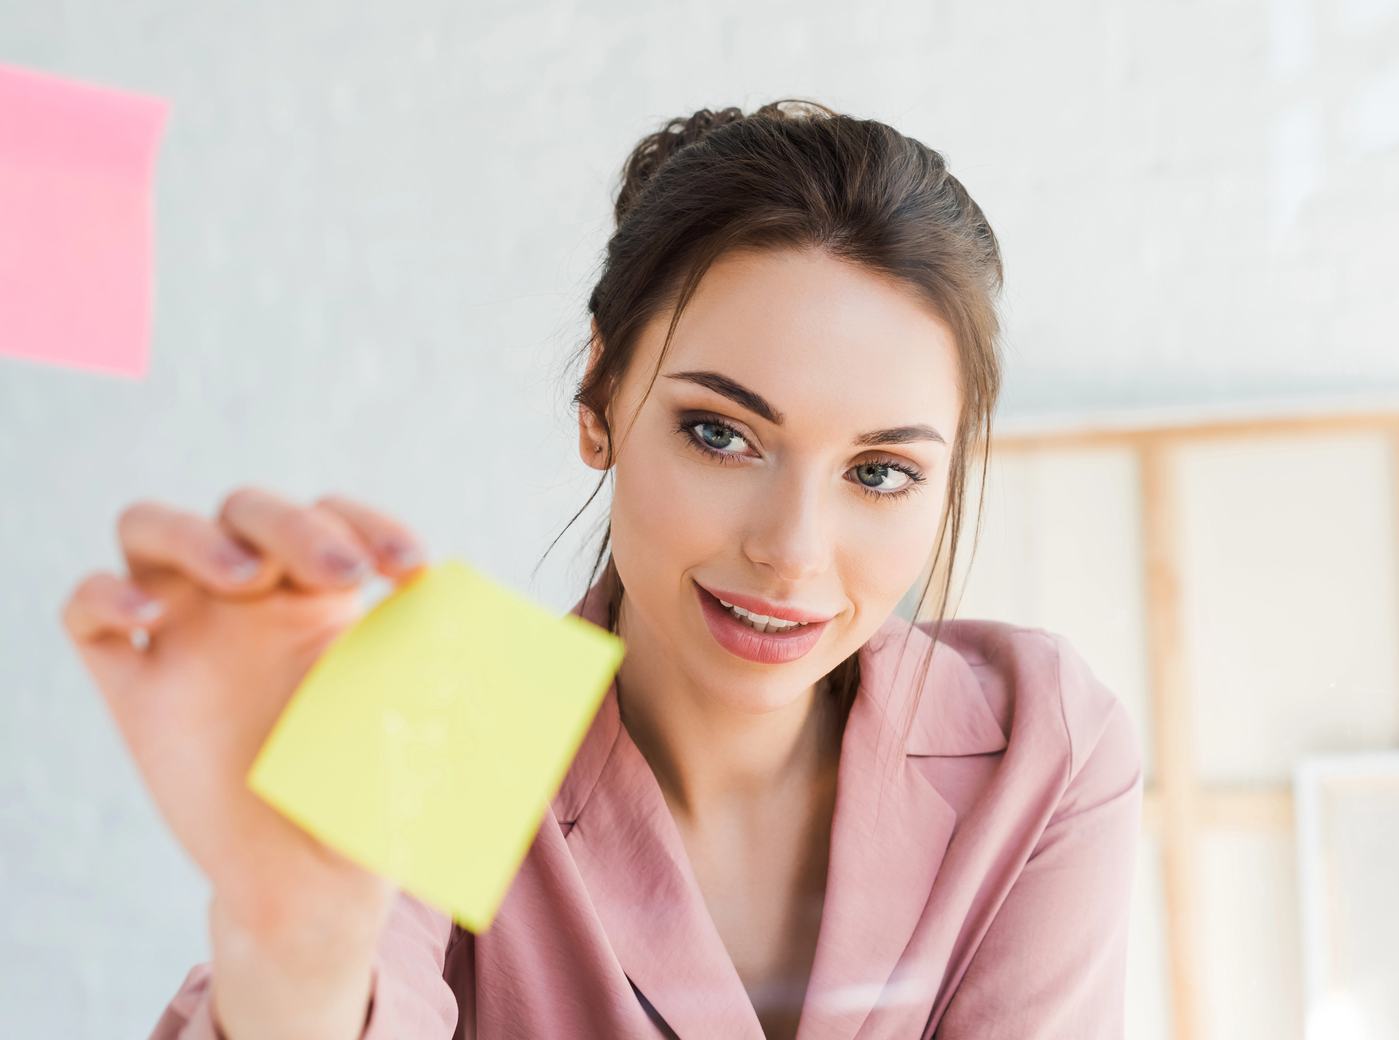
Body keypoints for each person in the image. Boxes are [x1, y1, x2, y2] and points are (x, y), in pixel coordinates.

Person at [64, 102, 1141, 1040]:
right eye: (720, 435)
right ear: (600, 396)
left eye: (879, 471)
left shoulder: (1037, 748)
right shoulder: (445, 722)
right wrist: (295, 944)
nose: (792, 550)